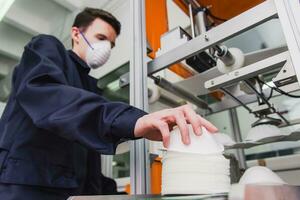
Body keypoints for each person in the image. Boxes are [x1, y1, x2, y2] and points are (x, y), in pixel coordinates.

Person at [0, 7, 218, 200]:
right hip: (24, 186)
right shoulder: (47, 48)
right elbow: (49, 97)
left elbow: (88, 162)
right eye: (101, 37)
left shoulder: (90, 87)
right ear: (76, 33)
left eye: (111, 44)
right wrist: (134, 119)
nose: (106, 48)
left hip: (70, 191)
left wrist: (113, 195)